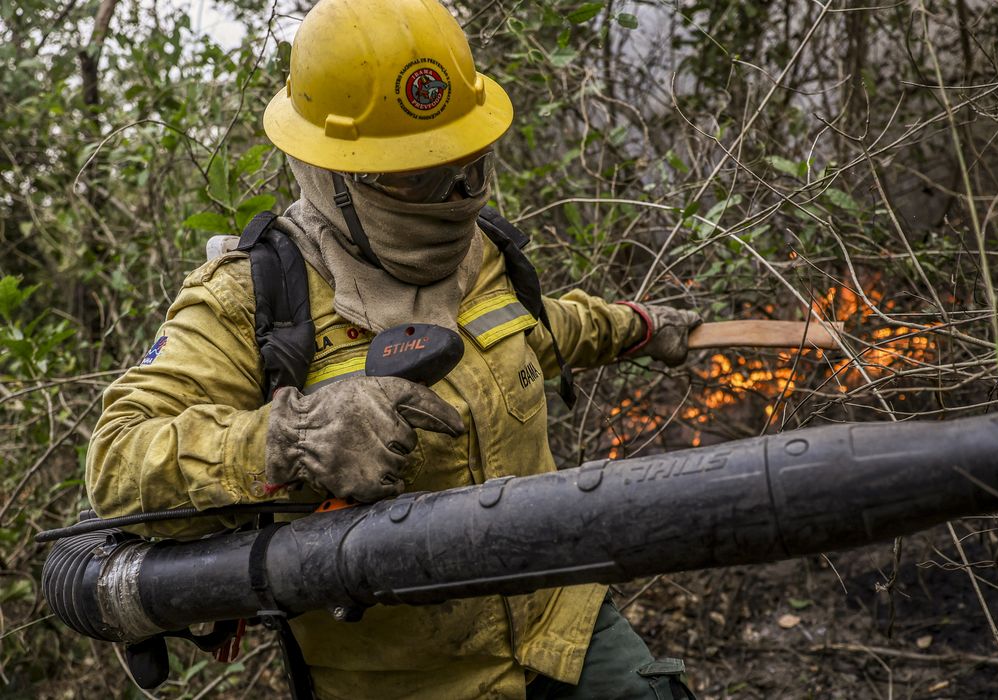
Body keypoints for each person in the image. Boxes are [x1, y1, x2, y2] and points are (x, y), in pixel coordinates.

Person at [85, 0, 701, 697]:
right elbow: (118, 461)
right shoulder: (247, 297)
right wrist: (293, 440)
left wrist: (643, 327)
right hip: (405, 681)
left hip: (562, 623)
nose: (454, 194)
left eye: (466, 164)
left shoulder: (484, 254)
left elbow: (539, 330)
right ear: (334, 174)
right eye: (416, 175)